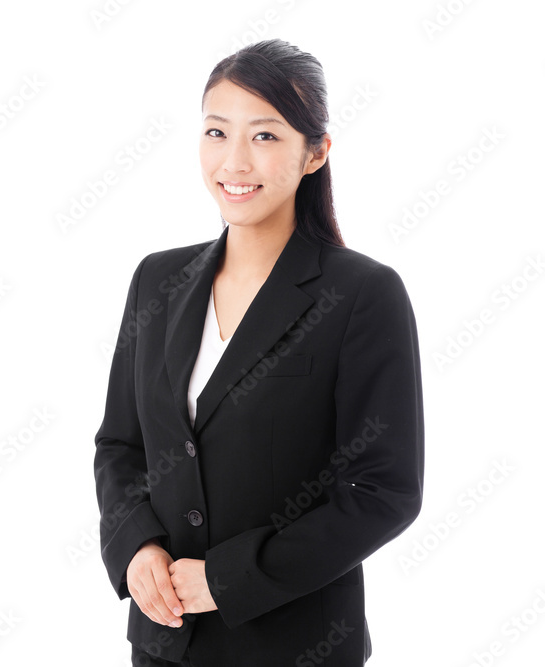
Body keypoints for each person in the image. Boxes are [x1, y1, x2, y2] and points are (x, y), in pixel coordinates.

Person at [93, 39, 424, 666]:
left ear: (315, 153)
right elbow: (121, 446)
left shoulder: (361, 294)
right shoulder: (156, 282)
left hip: (296, 645)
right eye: (217, 132)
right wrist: (136, 547)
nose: (234, 161)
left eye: (266, 137)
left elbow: (384, 492)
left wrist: (228, 577)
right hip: (165, 643)